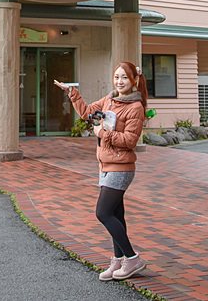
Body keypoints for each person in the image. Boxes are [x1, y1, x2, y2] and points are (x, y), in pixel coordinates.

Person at [54, 61, 148, 281]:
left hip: (121, 167)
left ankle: (132, 258)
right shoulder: (109, 100)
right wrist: (72, 93)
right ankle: (118, 262)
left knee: (103, 213)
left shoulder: (135, 107)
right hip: (105, 165)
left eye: (124, 77)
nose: (119, 81)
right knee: (116, 214)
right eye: (116, 77)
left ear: (134, 80)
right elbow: (88, 113)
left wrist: (103, 133)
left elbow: (130, 141)